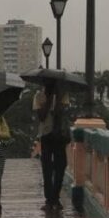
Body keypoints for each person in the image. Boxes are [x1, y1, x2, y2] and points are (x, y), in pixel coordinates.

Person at [33, 81, 70, 211]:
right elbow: (41, 116)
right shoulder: (39, 96)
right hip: (46, 135)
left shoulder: (63, 95)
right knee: (47, 169)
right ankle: (49, 200)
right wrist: (49, 100)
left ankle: (56, 197)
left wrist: (58, 98)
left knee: (61, 166)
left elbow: (62, 112)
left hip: (60, 136)